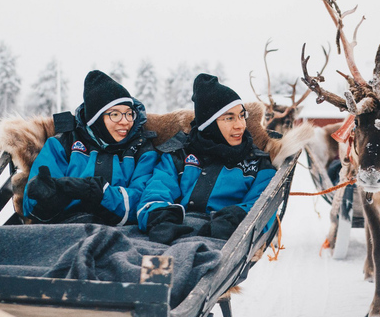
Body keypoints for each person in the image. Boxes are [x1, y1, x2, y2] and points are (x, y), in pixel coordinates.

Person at [137, 73, 277, 244]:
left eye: (242, 116)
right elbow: (157, 191)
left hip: (223, 240)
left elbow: (261, 206)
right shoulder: (178, 155)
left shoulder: (258, 164)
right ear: (209, 123)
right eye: (229, 118)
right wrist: (160, 218)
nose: (240, 125)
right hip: (174, 231)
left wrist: (229, 221)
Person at [23, 70, 159, 225]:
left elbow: (143, 201)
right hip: (68, 229)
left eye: (129, 114)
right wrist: (48, 199)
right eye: (115, 114)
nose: (125, 121)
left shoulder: (141, 149)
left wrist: (100, 193)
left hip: (123, 230)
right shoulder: (62, 144)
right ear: (95, 118)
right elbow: (31, 205)